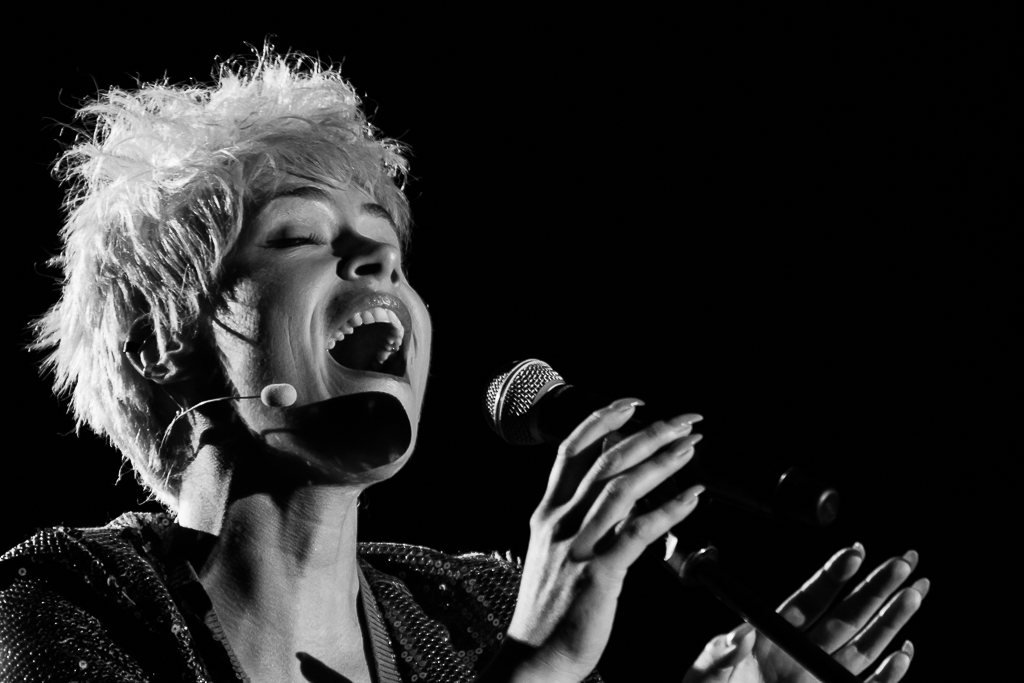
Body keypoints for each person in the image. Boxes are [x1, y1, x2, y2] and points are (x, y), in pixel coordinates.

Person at [0, 49, 927, 683]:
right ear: (164, 339)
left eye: (388, 249)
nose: (378, 261)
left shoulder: (464, 609)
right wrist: (533, 668)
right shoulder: (71, 599)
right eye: (300, 237)